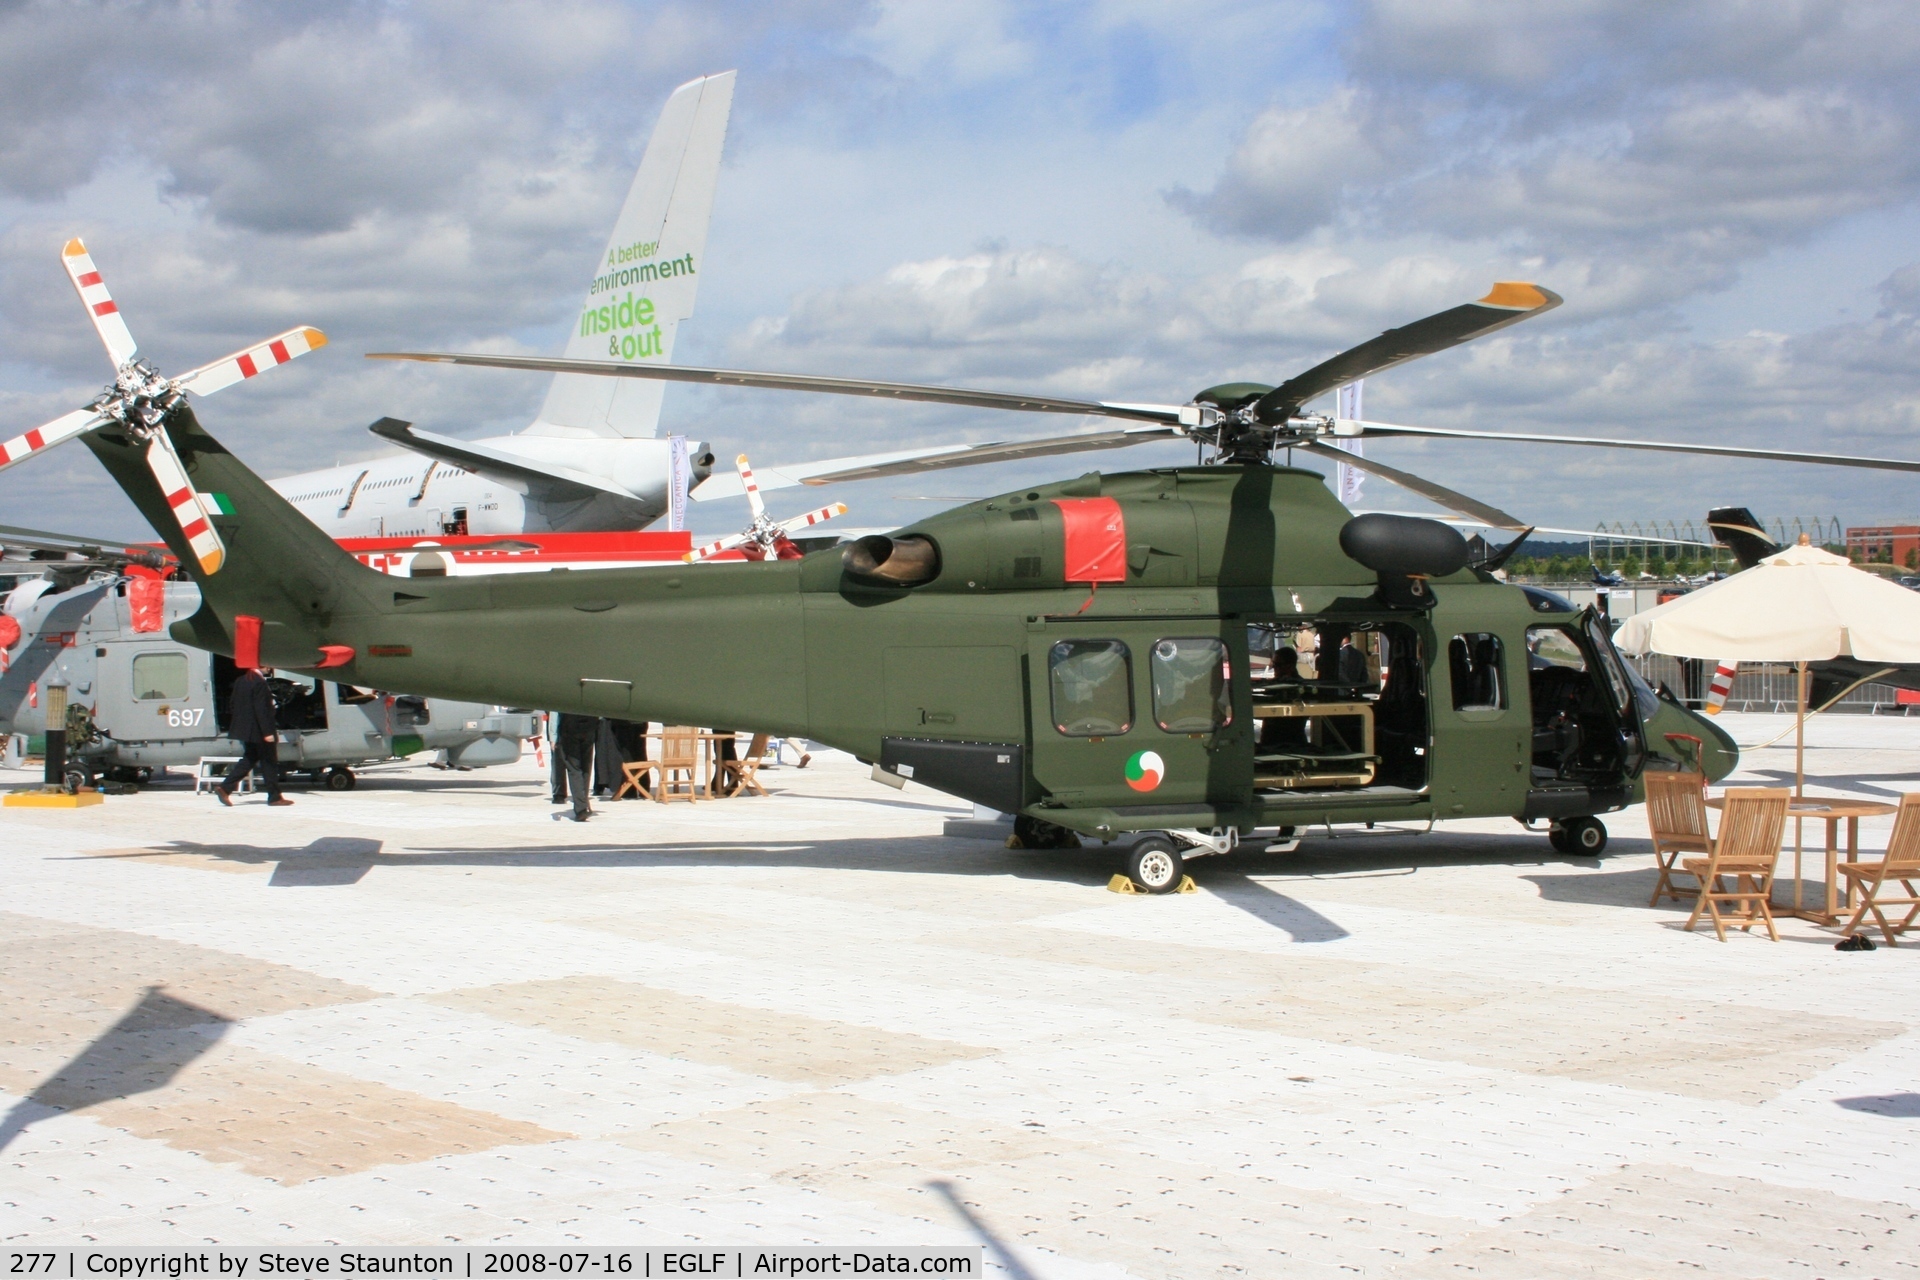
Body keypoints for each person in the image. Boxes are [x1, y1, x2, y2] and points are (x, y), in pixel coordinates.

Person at [218, 666, 292, 807]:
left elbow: (233, 704)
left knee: (249, 759)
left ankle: (225, 788)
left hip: (247, 730)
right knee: (269, 762)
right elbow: (261, 709)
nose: (270, 668)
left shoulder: (241, 680)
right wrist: (267, 732)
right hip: (259, 730)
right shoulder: (258, 682)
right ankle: (274, 797)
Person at [554, 712, 599, 821]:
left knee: (574, 768)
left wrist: (554, 736)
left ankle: (581, 807)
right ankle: (583, 802)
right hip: (589, 723)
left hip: (570, 725)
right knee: (585, 766)